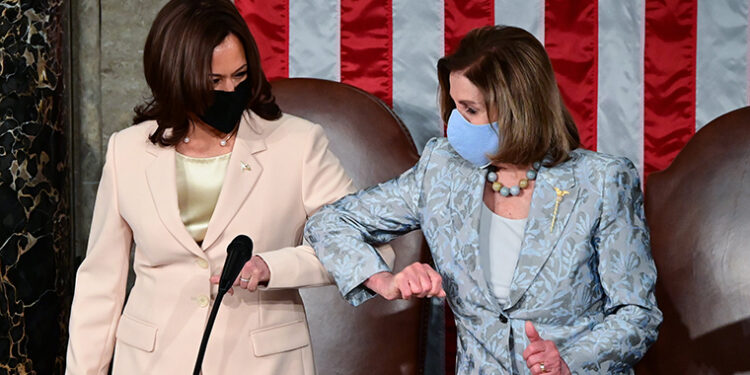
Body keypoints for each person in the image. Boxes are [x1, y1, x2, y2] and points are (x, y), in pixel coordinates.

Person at [305, 25, 662, 374]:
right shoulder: (442, 170)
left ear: (517, 110)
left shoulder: (602, 180)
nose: (456, 123)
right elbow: (330, 221)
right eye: (455, 106)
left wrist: (573, 362)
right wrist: (383, 279)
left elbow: (638, 314)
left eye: (470, 110)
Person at [64, 0, 388, 373]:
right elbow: (100, 284)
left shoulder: (298, 143)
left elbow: (368, 246)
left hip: (262, 363)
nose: (230, 90)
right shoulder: (128, 151)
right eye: (214, 82)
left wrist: (274, 266)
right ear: (174, 76)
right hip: (151, 361)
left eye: (240, 75)